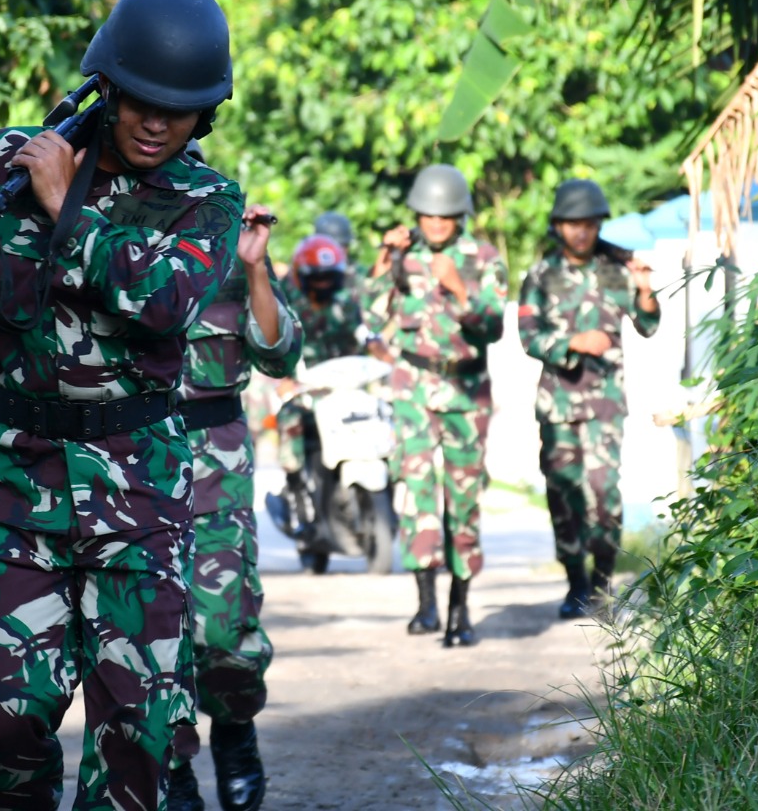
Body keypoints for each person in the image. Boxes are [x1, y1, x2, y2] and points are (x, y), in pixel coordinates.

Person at [0, 0, 243, 811]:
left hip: (139, 488)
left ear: (203, 115)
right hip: (14, 479)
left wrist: (63, 209)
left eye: (177, 111)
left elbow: (167, 301)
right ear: (106, 89)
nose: (155, 124)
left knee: (139, 730)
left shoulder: (207, 202)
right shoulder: (3, 161)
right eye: (142, 102)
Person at [168, 146, 303, 811]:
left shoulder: (228, 234)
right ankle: (170, 764)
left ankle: (236, 726)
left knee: (224, 626)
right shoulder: (102, 233)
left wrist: (252, 272)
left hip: (215, 451)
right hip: (125, 451)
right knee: (143, 624)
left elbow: (277, 353)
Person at [363, 165, 508, 646]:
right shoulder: (403, 256)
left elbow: (492, 328)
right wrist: (386, 259)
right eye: (428, 216)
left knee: (463, 497)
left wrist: (460, 289)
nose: (437, 224)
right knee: (416, 490)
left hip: (466, 389)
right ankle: (425, 603)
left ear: (460, 215)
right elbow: (369, 313)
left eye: (445, 216)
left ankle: (459, 610)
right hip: (414, 386)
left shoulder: (483, 257)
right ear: (417, 216)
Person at [518, 178, 660, 620]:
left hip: (604, 405)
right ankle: (575, 584)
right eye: (572, 224)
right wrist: (574, 342)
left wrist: (643, 289)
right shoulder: (540, 276)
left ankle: (601, 582)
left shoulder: (616, 270)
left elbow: (649, 325)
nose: (581, 231)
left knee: (603, 494)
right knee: (563, 495)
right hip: (558, 405)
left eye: (589, 223)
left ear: (599, 224)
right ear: (558, 226)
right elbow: (528, 336)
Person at [272, 234, 383, 554]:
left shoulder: (347, 300)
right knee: (289, 424)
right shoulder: (285, 299)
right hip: (302, 386)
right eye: (315, 278)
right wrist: (285, 379)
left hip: (345, 387)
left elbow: (363, 333)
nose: (322, 284)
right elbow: (271, 341)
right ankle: (298, 499)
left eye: (328, 278)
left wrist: (378, 349)